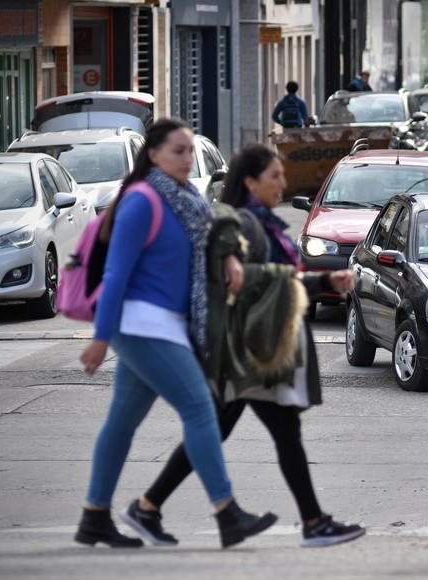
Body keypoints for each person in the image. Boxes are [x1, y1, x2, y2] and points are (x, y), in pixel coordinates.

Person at [121, 143, 366, 549]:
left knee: (216, 429)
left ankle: (148, 506)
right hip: (248, 351)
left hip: (250, 349)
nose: (283, 183)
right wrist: (233, 256)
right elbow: (223, 236)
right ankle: (313, 522)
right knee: (284, 432)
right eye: (275, 176)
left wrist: (322, 282)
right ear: (250, 181)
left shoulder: (266, 223)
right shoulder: (242, 221)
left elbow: (278, 279)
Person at [74, 118, 277, 549]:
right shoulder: (142, 201)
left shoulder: (187, 200)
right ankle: (227, 513)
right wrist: (101, 336)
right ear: (152, 155)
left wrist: (226, 257)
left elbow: (212, 233)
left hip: (167, 324)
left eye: (190, 151)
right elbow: (115, 274)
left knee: (121, 422)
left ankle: (94, 515)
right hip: (142, 325)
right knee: (201, 409)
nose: (187, 159)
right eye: (177, 151)